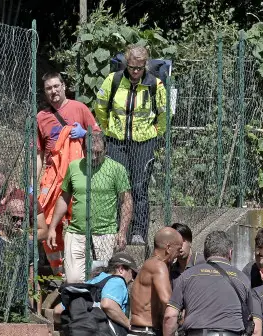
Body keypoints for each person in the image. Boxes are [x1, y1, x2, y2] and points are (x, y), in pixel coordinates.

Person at [95, 45, 166, 245]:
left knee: (139, 187)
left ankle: (138, 232)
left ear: (146, 65)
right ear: (127, 63)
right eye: (132, 67)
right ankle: (116, 229)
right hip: (116, 141)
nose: (135, 72)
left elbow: (164, 114)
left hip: (143, 143)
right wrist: (107, 128)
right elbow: (100, 107)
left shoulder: (155, 85)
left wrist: (155, 134)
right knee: (118, 186)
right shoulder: (114, 80)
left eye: (139, 68)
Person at [36, 72, 101, 276]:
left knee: (78, 220)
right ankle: (58, 270)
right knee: (47, 220)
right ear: (45, 92)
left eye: (56, 86)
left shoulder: (79, 108)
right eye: (49, 88)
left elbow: (98, 137)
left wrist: (86, 134)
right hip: (52, 175)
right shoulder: (41, 117)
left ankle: (80, 266)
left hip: (78, 174)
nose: (53, 91)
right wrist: (33, 183)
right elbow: (39, 153)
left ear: (64, 86)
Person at [46, 132, 133, 284]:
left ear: (106, 150)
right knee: (73, 279)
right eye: (90, 152)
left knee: (102, 279)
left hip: (105, 232)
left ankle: (96, 307)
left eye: (98, 153)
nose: (93, 157)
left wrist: (122, 232)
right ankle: (78, 306)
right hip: (76, 231)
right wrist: (52, 227)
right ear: (83, 149)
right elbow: (64, 198)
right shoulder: (74, 167)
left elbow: (126, 201)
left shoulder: (117, 169)